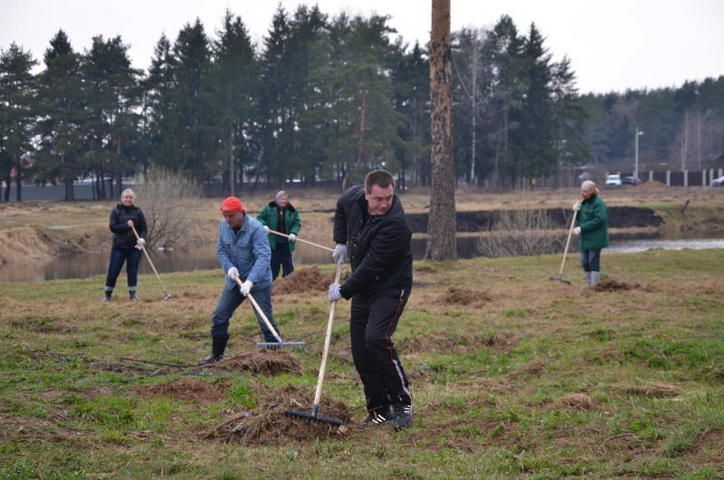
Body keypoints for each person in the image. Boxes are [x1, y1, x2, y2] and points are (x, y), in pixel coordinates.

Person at [328, 169, 414, 430]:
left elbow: (371, 267)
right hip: (365, 289)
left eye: (389, 198)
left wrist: (343, 290)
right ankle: (378, 411)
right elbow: (341, 205)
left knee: (376, 339)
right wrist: (341, 240)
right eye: (378, 199)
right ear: (366, 194)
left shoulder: (395, 225)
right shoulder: (353, 199)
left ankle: (403, 403)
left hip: (390, 288)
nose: (385, 204)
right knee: (361, 352)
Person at [198, 196, 281, 366]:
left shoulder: (256, 229)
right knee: (220, 316)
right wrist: (229, 268)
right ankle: (216, 355)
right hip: (234, 281)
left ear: (241, 213)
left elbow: (263, 257)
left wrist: (250, 281)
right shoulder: (223, 226)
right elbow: (221, 250)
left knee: (264, 319)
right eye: (225, 216)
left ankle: (277, 356)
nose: (227, 220)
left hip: (258, 282)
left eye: (231, 216)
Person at [104, 189, 147, 301]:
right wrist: (126, 225)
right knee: (114, 270)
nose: (128, 199)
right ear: (122, 198)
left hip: (134, 247)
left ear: (133, 199)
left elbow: (143, 228)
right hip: (119, 247)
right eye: (126, 197)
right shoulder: (116, 211)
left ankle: (132, 294)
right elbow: (113, 227)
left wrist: (142, 238)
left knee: (132, 270)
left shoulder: (138, 212)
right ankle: (108, 294)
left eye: (130, 197)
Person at [257, 190, 302, 280]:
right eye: (281, 199)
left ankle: (288, 283)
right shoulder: (269, 208)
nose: (283, 201)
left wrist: (293, 233)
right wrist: (264, 225)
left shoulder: (292, 210)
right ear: (277, 199)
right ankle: (272, 283)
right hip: (273, 242)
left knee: (288, 264)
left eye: (285, 199)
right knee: (274, 263)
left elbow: (297, 223)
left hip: (287, 242)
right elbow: (259, 218)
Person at [573, 180, 609, 286]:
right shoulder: (584, 202)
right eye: (582, 191)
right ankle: (589, 284)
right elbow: (582, 219)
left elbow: (599, 220)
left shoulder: (599, 203)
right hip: (586, 238)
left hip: (596, 238)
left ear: (592, 191)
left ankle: (594, 285)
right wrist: (577, 211)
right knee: (585, 262)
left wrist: (582, 228)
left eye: (585, 191)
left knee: (593, 261)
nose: (583, 193)